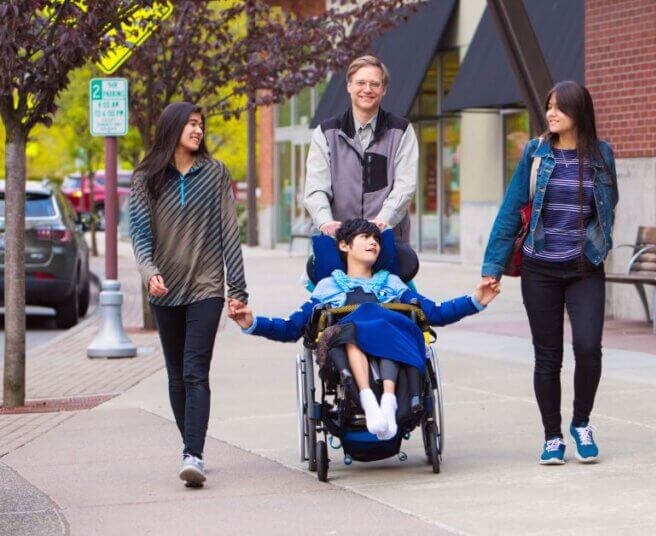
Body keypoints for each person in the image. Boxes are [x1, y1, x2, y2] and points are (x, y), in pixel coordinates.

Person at [229, 219, 497, 439]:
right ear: (344, 246)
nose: (373, 243)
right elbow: (291, 327)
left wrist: (476, 301)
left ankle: (388, 403)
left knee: (382, 323)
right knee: (354, 330)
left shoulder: (392, 283)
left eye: (377, 240)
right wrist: (252, 323)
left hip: (391, 343)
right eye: (365, 238)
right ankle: (370, 401)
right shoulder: (328, 288)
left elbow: (434, 312)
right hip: (348, 348)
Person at [481, 81, 618, 465]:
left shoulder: (602, 154)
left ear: (580, 112)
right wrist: (492, 267)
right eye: (549, 106)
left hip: (584, 266)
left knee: (589, 349)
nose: (551, 113)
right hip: (540, 266)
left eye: (560, 107)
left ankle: (581, 423)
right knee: (548, 356)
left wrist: (599, 243)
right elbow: (511, 208)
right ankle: (552, 436)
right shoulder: (536, 153)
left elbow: (609, 205)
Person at [129, 102, 248, 487]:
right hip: (165, 288)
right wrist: (149, 273)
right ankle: (190, 444)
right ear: (173, 128)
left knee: (196, 371)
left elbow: (230, 232)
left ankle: (193, 454)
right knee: (176, 374)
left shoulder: (214, 174)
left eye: (201, 125)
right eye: (191, 124)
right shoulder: (147, 176)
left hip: (206, 288)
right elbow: (140, 234)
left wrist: (237, 289)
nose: (198, 130)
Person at [304, 55, 418, 241]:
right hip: (339, 240)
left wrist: (382, 222)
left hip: (387, 238)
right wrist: (325, 222)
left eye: (375, 84)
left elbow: (405, 186)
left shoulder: (402, 131)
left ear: (384, 89)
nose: (367, 89)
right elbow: (316, 187)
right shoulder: (325, 132)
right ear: (349, 86)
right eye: (361, 82)